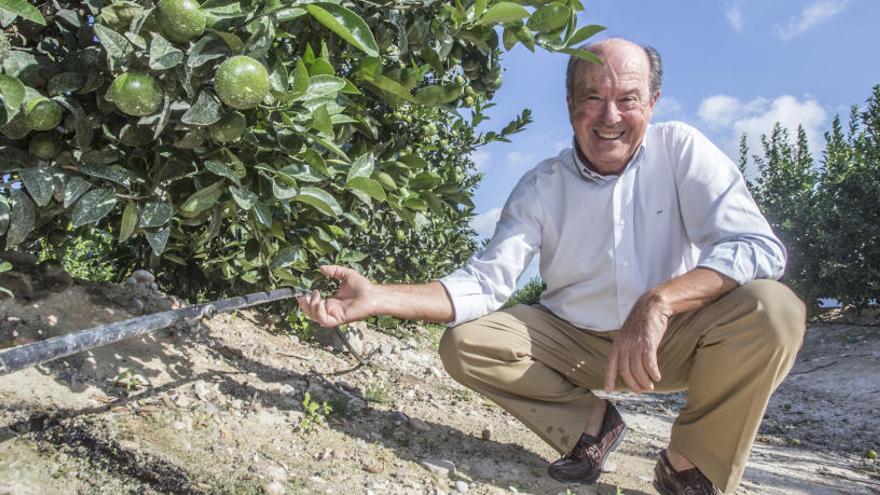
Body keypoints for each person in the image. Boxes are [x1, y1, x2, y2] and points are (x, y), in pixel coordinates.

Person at [297, 38, 806, 495]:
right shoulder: (541, 186)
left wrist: (660, 300)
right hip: (576, 344)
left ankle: (689, 464)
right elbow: (484, 283)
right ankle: (590, 425)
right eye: (592, 97)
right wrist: (379, 296)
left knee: (775, 309)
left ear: (652, 103)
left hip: (669, 339)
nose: (610, 115)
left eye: (628, 98)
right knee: (468, 343)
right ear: (569, 105)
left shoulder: (683, 150)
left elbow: (757, 245)